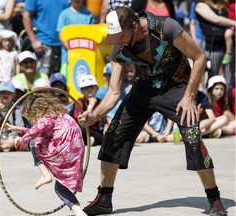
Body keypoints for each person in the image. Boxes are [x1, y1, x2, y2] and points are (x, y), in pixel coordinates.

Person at [78, 7, 228, 216]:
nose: (117, 42)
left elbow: (200, 57)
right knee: (114, 134)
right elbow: (113, 92)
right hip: (145, 88)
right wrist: (95, 114)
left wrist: (189, 97)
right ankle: (104, 198)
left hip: (177, 87)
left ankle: (215, 199)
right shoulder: (119, 48)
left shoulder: (166, 28)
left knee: (193, 137)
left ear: (134, 26)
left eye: (120, 36)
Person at [5, 94, 87, 216]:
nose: (33, 121)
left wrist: (23, 140)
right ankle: (79, 212)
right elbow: (40, 131)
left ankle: (45, 174)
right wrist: (20, 130)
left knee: (33, 142)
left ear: (36, 112)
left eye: (31, 118)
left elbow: (36, 132)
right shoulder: (60, 116)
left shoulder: (45, 118)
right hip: (75, 153)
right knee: (60, 188)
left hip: (61, 151)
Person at [22, 0, 70, 76]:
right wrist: (33, 41)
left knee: (63, 83)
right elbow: (26, 16)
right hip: (44, 46)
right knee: (43, 82)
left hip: (66, 47)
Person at [195, 0, 236, 87]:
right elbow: (215, 19)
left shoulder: (222, 4)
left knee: (229, 78)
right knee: (212, 77)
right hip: (214, 48)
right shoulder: (200, 4)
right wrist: (234, 23)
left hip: (229, 45)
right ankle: (209, 99)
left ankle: (228, 98)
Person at [57, 0, 94, 78]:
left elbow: (91, 36)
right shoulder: (64, 14)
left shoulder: (89, 15)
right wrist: (72, 50)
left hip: (85, 57)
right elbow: (61, 35)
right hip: (67, 58)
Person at [0, 81, 24, 151]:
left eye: (8, 93)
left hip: (10, 137)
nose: (5, 95)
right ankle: (5, 146)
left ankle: (1, 148)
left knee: (17, 139)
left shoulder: (16, 110)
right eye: (2, 92)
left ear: (13, 95)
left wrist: (12, 135)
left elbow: (20, 127)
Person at [74, 74, 108, 146]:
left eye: (91, 87)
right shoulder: (79, 102)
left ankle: (93, 141)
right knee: (81, 129)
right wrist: (91, 105)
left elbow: (104, 120)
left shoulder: (100, 102)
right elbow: (81, 122)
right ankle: (94, 141)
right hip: (85, 129)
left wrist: (106, 128)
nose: (89, 90)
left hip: (97, 130)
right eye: (86, 88)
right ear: (82, 91)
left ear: (97, 88)